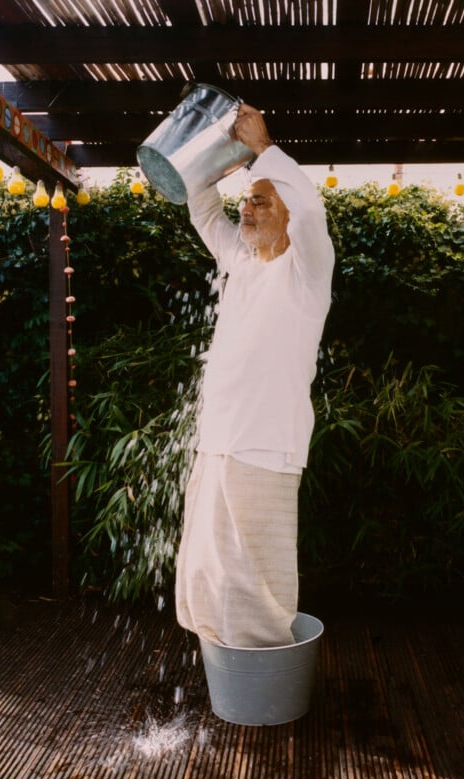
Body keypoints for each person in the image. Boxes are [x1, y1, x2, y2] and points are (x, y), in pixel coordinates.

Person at [175, 103, 335, 648]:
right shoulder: (240, 262)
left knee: (260, 587)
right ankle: (225, 670)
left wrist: (265, 148)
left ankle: (265, 677)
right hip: (217, 444)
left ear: (285, 214)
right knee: (211, 579)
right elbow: (202, 210)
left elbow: (313, 212)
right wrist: (208, 152)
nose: (244, 208)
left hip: (267, 449)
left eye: (259, 200)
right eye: (244, 199)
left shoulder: (307, 271)